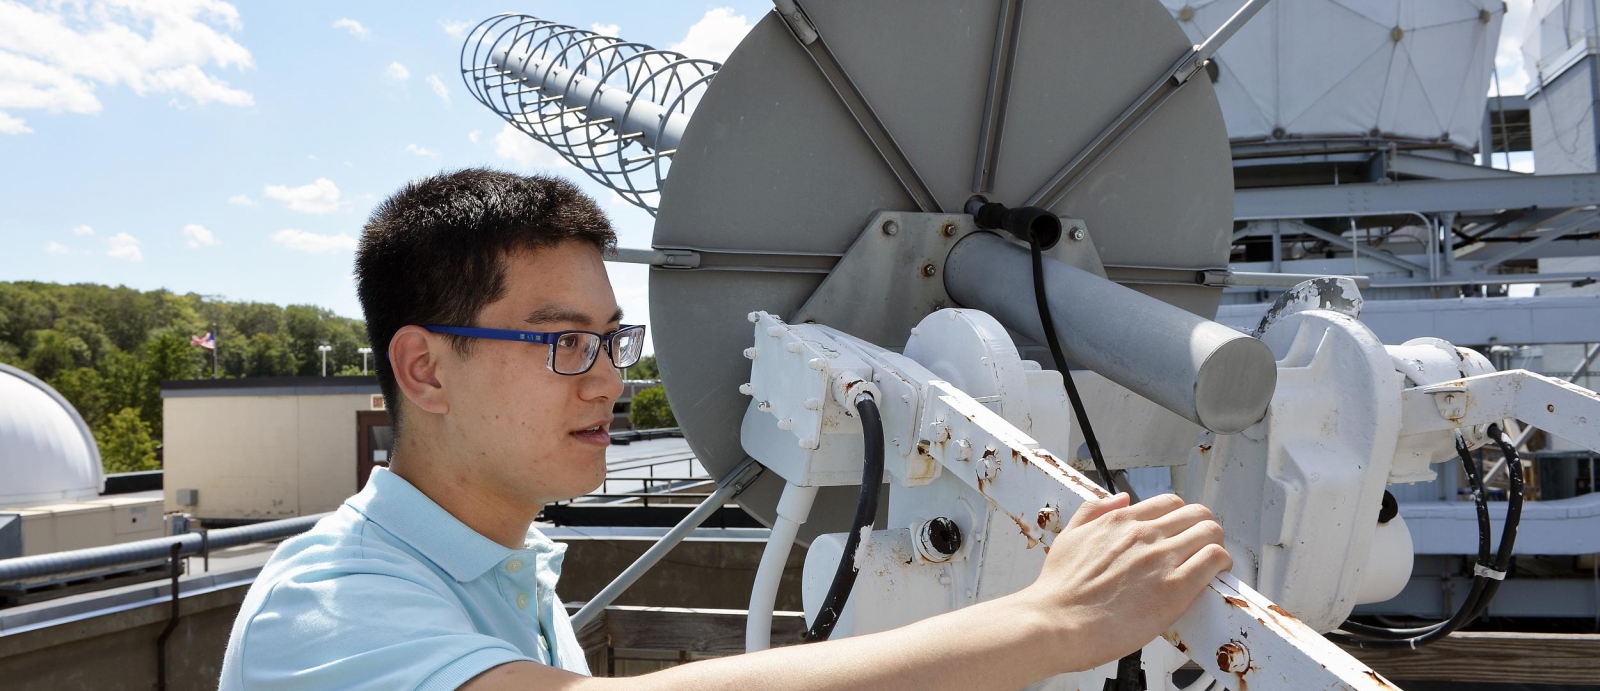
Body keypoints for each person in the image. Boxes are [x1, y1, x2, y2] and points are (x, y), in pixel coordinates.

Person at [218, 169, 1233, 691]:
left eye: (616, 341)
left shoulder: (502, 571)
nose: (609, 381)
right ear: (423, 368)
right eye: (564, 342)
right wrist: (1054, 622)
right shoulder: (325, 603)